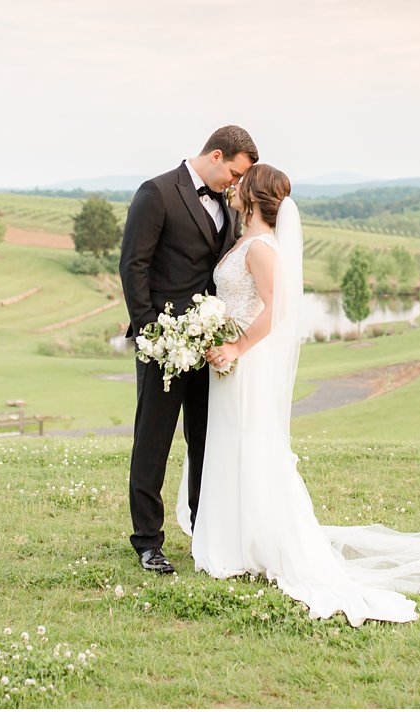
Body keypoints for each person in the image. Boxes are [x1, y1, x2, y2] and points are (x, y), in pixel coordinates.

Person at [178, 163, 420, 625]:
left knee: (249, 446)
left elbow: (276, 311)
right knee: (229, 445)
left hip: (246, 363)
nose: (233, 187)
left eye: (241, 184)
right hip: (230, 364)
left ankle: (253, 542)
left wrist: (235, 345)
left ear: (253, 195)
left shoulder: (262, 249)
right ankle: (231, 537)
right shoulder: (242, 241)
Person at [119, 125, 257, 574]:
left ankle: (205, 530)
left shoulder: (226, 204)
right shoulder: (156, 192)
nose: (234, 184)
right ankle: (147, 541)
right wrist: (150, 333)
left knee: (204, 441)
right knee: (153, 443)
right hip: (165, 346)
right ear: (216, 156)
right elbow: (133, 265)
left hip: (209, 343)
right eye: (233, 173)